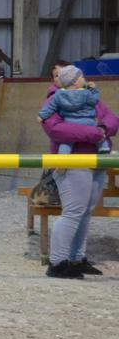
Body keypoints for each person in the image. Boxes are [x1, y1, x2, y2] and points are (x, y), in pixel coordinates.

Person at [40, 61, 119, 279]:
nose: (59, 77)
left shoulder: (89, 94)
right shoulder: (54, 100)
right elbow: (55, 129)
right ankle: (57, 262)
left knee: (84, 213)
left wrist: (103, 128)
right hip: (73, 162)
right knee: (74, 212)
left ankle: (76, 258)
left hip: (96, 161)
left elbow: (111, 117)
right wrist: (94, 133)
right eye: (56, 74)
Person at [37, 65, 111, 154]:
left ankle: (63, 156)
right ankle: (104, 147)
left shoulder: (58, 95)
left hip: (69, 121)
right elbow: (94, 101)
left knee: (66, 142)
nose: (84, 79)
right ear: (75, 82)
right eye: (82, 77)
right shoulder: (86, 93)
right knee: (100, 137)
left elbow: (50, 107)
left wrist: (41, 115)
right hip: (88, 122)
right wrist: (94, 90)